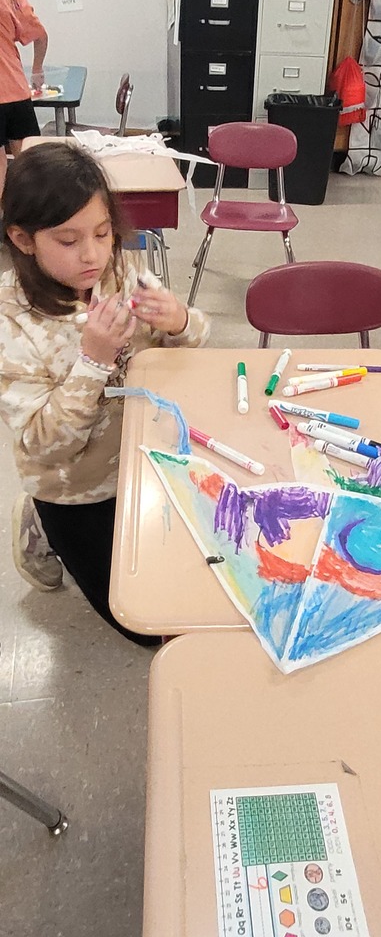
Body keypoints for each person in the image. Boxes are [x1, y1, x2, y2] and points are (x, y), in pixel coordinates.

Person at [0, 142, 210, 643]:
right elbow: (45, 445)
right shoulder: (12, 322)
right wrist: (92, 361)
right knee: (141, 627)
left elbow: (194, 347)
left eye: (101, 233)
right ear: (24, 240)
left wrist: (179, 322)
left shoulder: (119, 272)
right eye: (68, 241)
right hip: (72, 487)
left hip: (142, 459)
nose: (93, 254)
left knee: (187, 581)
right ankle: (39, 520)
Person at [0, 0, 48, 195]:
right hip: (14, 92)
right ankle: (37, 218)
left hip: (12, 91)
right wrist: (37, 70)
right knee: (31, 164)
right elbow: (40, 35)